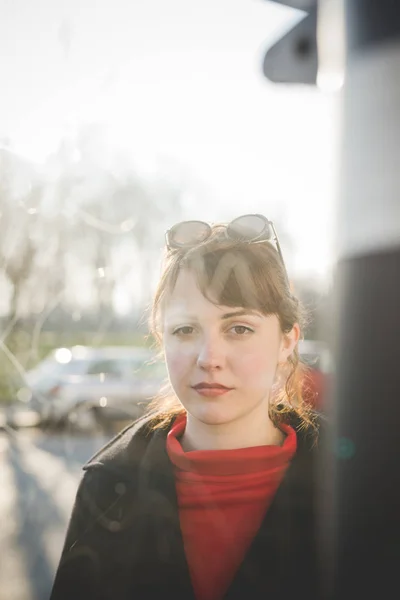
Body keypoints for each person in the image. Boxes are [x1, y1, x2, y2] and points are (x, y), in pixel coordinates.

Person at [50, 214, 326, 600]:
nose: (209, 357)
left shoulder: (355, 483)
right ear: (162, 341)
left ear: (287, 342)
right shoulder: (108, 485)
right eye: (185, 330)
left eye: (239, 328)